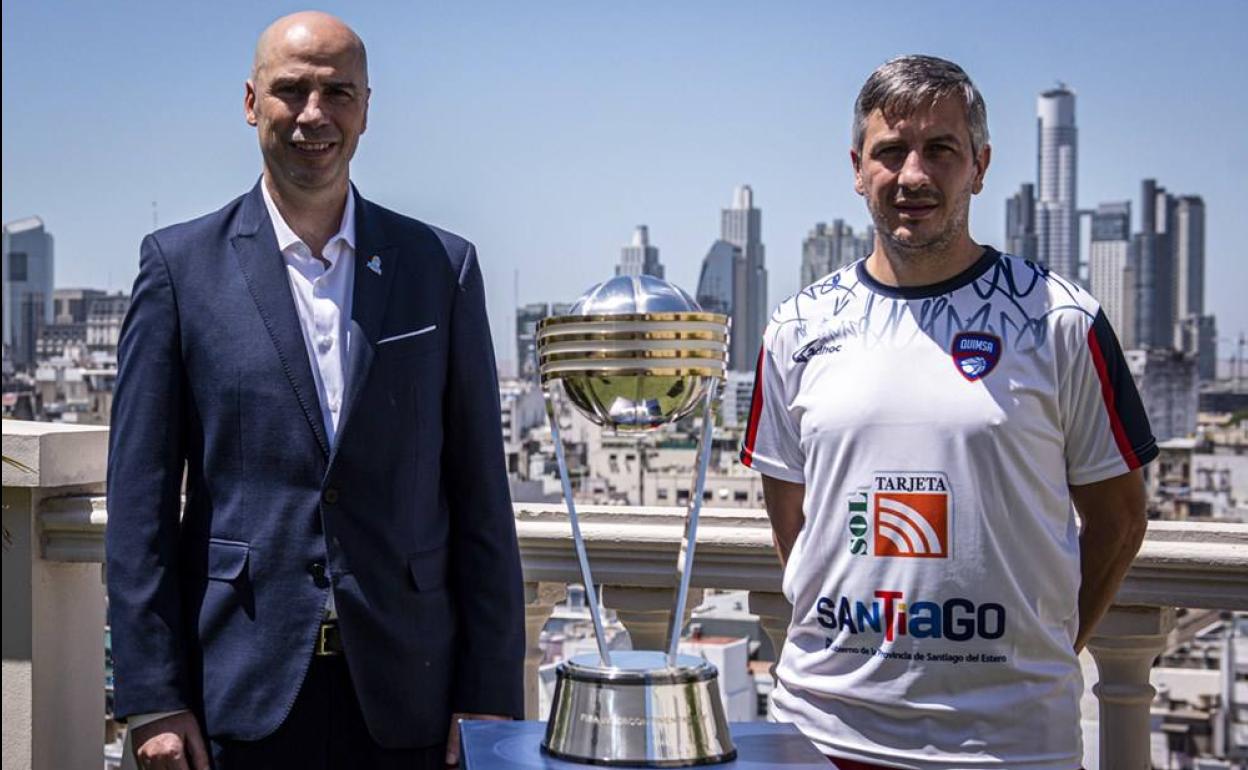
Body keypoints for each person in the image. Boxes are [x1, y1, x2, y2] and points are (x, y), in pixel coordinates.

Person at [105, 11, 524, 769]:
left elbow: (480, 498)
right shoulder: (179, 268)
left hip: (412, 696)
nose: (313, 115)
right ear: (249, 102)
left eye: (337, 92)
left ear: (367, 106)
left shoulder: (441, 267)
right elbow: (139, 502)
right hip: (236, 691)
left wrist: (489, 691)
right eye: (290, 90)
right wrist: (153, 698)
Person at [740, 55, 1155, 769]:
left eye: (940, 149)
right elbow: (796, 525)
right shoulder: (796, 327)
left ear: (980, 165)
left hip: (1009, 740)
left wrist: (1042, 647)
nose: (913, 176)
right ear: (857, 166)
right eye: (891, 151)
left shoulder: (1059, 319)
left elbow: (1119, 520)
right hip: (821, 728)